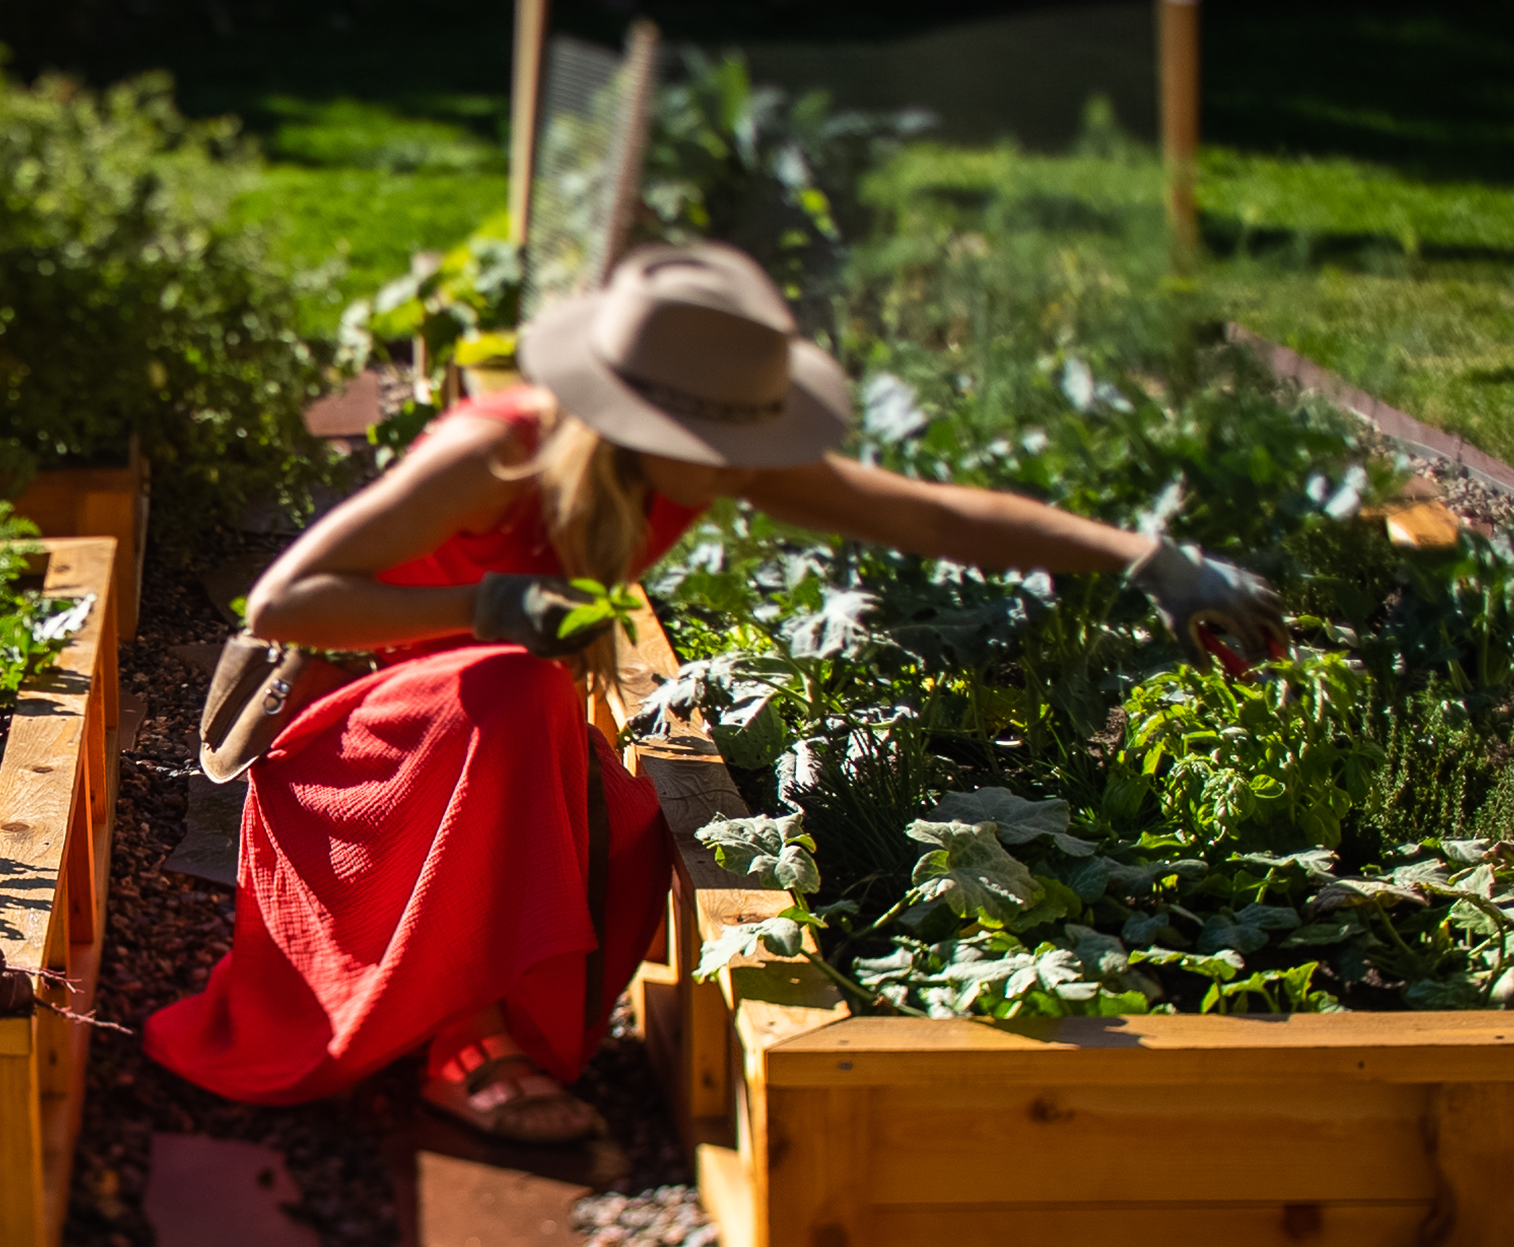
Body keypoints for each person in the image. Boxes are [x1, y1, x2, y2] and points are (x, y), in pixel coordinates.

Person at [144, 244, 1285, 1143]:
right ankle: (467, 1036)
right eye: (721, 441)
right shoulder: (497, 453)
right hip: (361, 755)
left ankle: (476, 1008)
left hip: (490, 746)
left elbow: (934, 515)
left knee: (555, 736)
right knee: (511, 688)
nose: (745, 468)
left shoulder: (715, 456)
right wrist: (492, 606)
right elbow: (283, 604)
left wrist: (1152, 562)